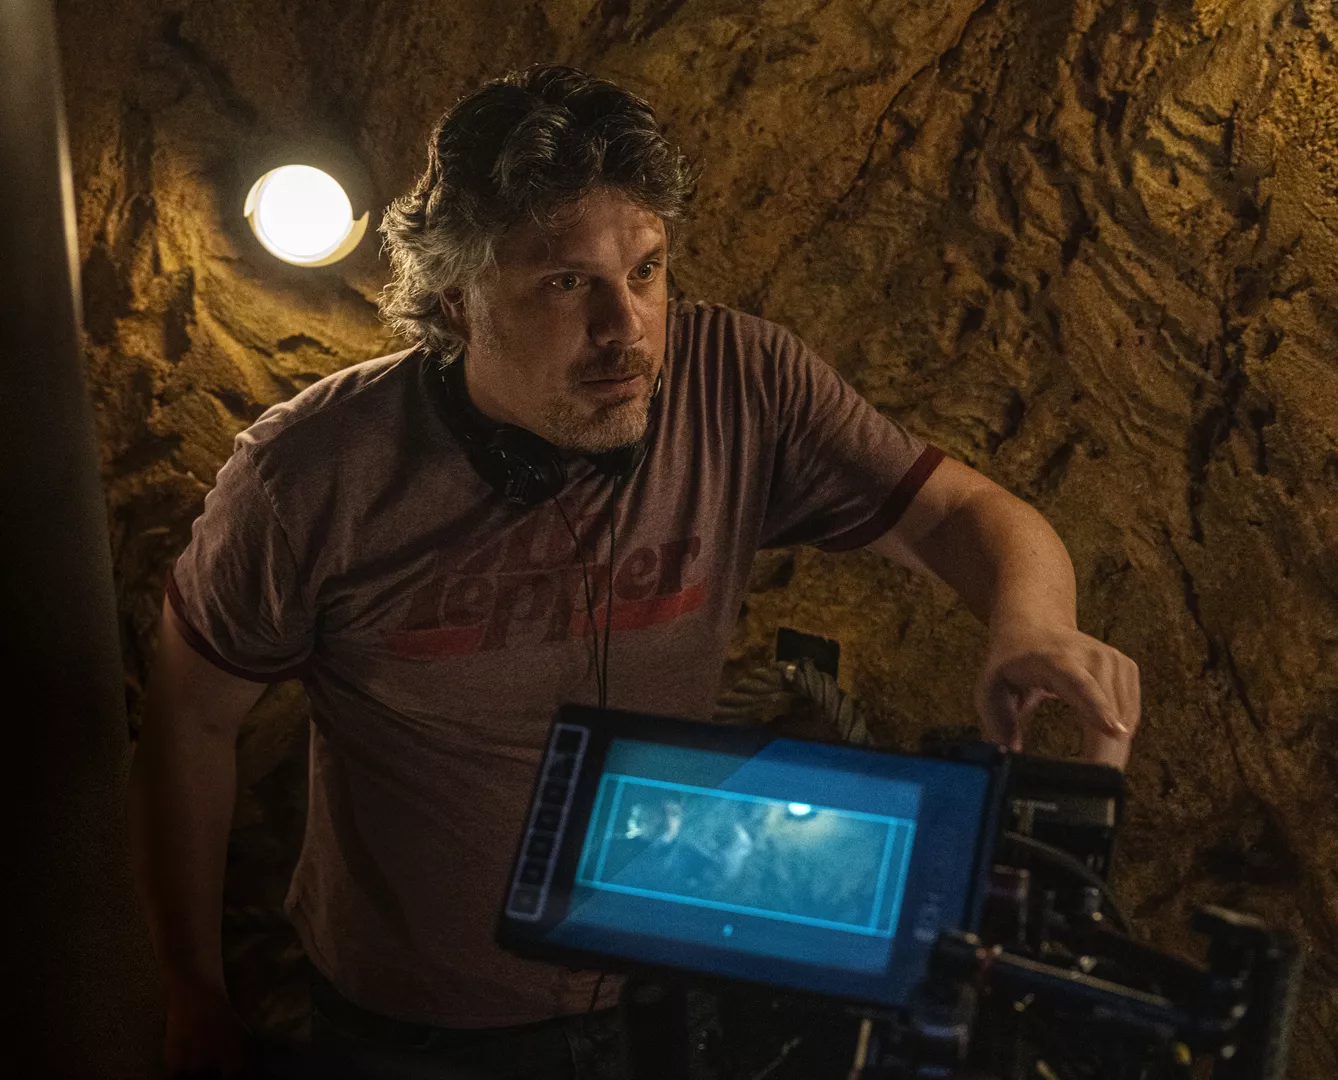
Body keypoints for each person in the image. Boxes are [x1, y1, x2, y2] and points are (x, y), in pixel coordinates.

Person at [129, 65, 1140, 1079]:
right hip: (419, 1033)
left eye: (647, 271)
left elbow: (964, 512)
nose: (627, 330)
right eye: (565, 284)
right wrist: (190, 992)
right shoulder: (308, 474)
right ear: (457, 304)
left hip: (670, 990)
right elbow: (191, 716)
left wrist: (1033, 624)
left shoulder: (743, 382)